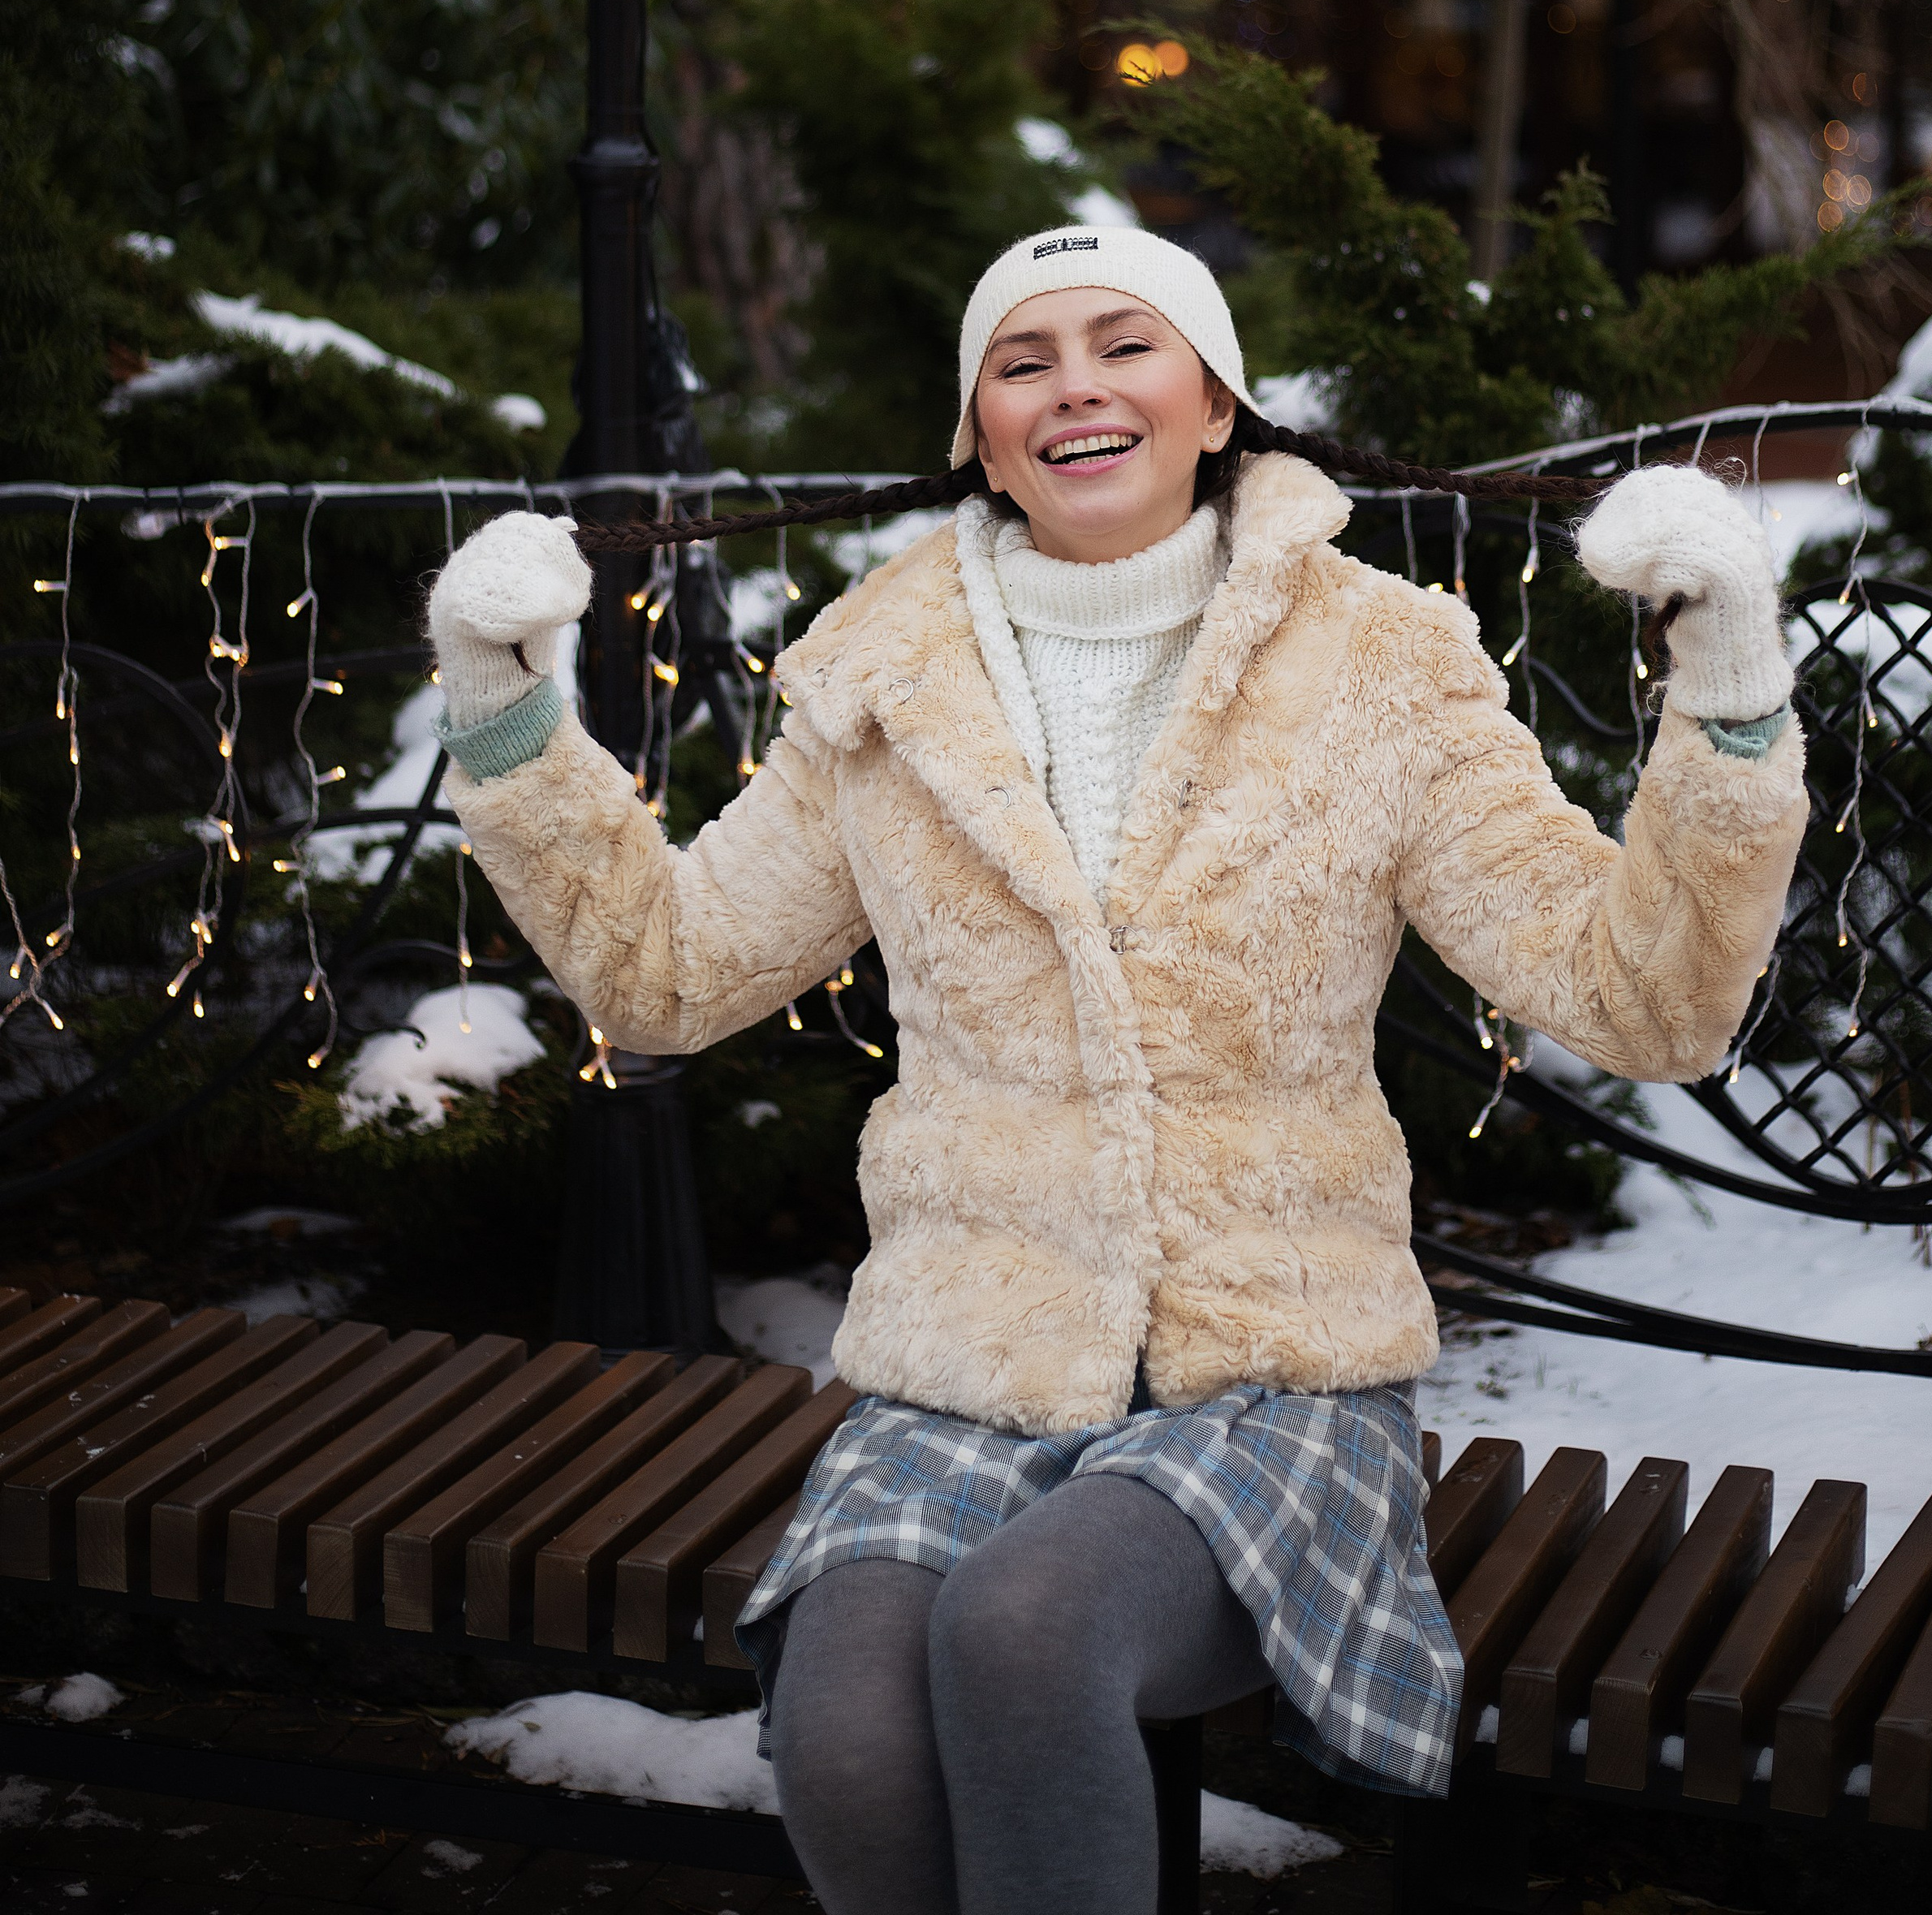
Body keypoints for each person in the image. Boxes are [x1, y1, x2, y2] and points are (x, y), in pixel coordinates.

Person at [425, 222, 1805, 1915]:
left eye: (1123, 343)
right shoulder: (880, 676)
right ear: (979, 435)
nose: (1072, 384)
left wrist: (1726, 690)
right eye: (1022, 361)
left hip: (1270, 1360)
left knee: (1027, 1630)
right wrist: (504, 713)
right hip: (969, 1355)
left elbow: (1641, 1003)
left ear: (1216, 403)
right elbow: (668, 974)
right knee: (846, 1727)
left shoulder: (1378, 659)